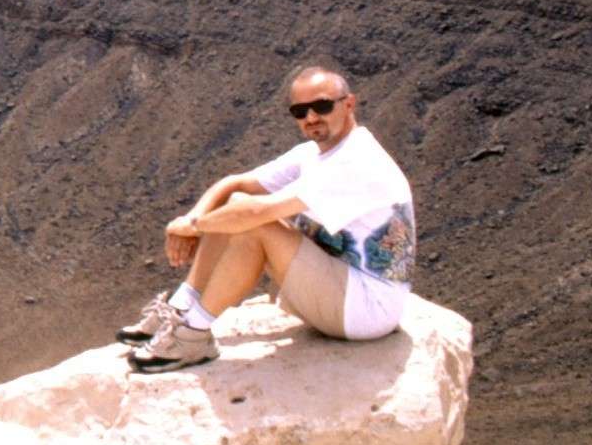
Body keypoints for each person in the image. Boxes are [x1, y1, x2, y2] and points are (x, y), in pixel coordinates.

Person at [118, 63, 416, 373]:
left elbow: (258, 213)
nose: (311, 117)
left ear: (349, 104)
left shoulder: (355, 162)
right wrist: (192, 218)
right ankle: (180, 307)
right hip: (340, 285)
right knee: (236, 204)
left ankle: (193, 334)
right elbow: (235, 184)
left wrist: (192, 228)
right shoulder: (313, 154)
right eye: (300, 111)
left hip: (366, 309)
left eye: (322, 106)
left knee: (253, 225)